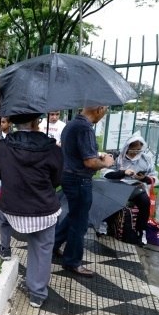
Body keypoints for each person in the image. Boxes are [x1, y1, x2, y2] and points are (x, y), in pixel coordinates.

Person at [0, 113, 63, 308]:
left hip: (11, 210)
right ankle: (37, 294)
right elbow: (57, 181)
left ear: (13, 122)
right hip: (44, 211)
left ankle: (5, 247)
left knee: (1, 216)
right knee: (42, 250)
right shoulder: (52, 149)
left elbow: (0, 174)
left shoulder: (2, 147)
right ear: (36, 122)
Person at [53, 106, 114, 277]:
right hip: (79, 180)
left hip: (69, 177)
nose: (105, 113)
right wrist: (106, 162)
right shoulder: (84, 128)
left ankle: (54, 244)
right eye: (106, 109)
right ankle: (72, 262)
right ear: (99, 109)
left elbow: (77, 154)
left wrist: (96, 158)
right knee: (80, 222)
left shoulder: (70, 125)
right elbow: (89, 162)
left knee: (74, 216)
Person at [102, 132, 157, 241]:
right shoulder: (118, 157)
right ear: (128, 147)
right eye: (133, 150)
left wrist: (144, 178)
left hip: (136, 187)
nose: (136, 152)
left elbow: (153, 176)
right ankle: (104, 225)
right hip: (119, 186)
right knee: (111, 200)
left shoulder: (146, 159)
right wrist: (123, 173)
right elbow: (106, 173)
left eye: (138, 150)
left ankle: (141, 230)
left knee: (145, 202)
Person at [0, 116, 12, 213]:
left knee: (3, 185)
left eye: (3, 122)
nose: (1, 124)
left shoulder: (13, 136)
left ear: (9, 124)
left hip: (7, 164)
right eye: (0, 122)